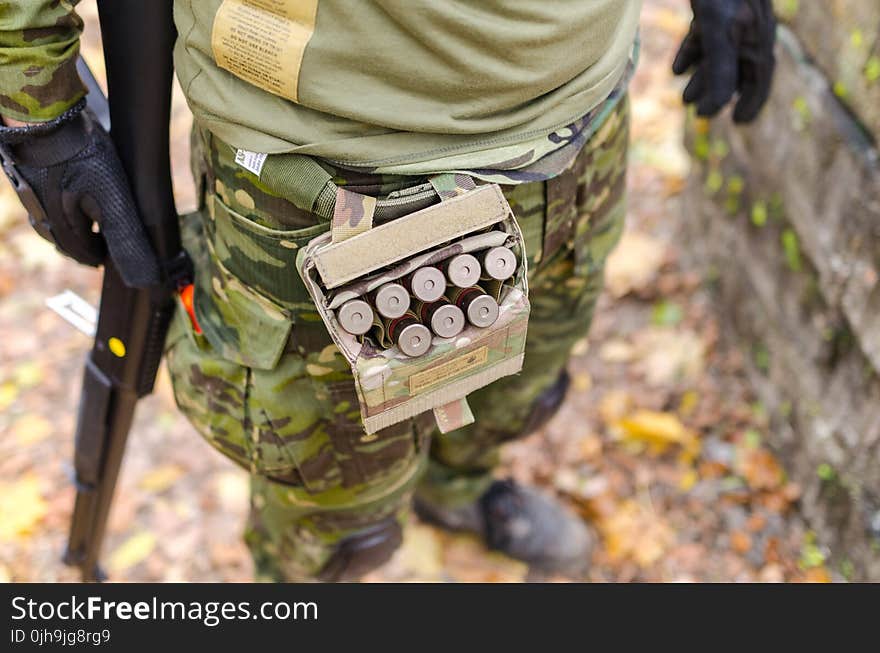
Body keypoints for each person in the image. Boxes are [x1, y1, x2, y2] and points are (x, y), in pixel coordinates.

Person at [0, 0, 776, 581]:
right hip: (330, 171)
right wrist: (35, 99)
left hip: (579, 112)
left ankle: (458, 486)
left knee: (523, 390)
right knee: (335, 520)